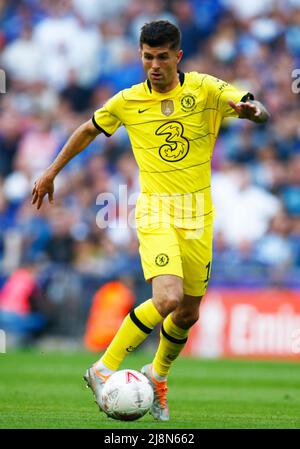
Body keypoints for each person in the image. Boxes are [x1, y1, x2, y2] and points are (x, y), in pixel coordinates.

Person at [32, 20, 270, 421]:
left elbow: (254, 107)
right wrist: (51, 171)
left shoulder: (205, 89)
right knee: (167, 299)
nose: (154, 65)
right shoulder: (127, 101)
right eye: (147, 57)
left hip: (198, 217)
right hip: (156, 211)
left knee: (188, 312)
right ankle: (102, 368)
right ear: (141, 56)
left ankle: (157, 375)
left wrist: (253, 111)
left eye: (162, 57)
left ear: (177, 57)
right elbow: (88, 130)